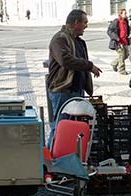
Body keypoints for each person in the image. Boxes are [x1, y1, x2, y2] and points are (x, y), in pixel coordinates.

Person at [46, 9, 102, 148]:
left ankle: (68, 156)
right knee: (60, 126)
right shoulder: (59, 38)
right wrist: (89, 66)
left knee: (72, 128)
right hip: (62, 90)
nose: (86, 26)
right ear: (76, 22)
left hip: (76, 90)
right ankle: (51, 159)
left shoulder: (78, 41)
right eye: (85, 22)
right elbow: (66, 60)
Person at [107, 9, 130, 75]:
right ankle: (122, 70)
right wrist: (117, 38)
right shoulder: (116, 21)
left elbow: (126, 30)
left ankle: (114, 63)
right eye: (124, 13)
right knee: (121, 55)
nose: (126, 15)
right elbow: (109, 31)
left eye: (126, 13)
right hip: (118, 42)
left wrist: (128, 34)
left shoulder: (125, 21)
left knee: (126, 55)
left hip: (125, 41)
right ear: (120, 14)